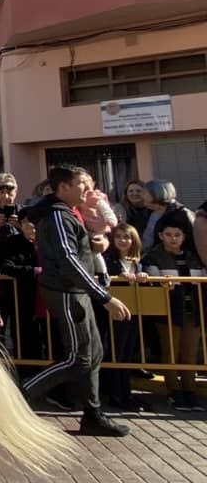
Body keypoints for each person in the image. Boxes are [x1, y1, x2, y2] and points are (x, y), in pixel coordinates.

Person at [21, 165, 132, 437]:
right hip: (67, 294)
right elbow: (68, 260)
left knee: (93, 355)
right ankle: (14, 396)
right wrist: (104, 297)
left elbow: (74, 252)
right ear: (64, 187)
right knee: (77, 359)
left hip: (77, 292)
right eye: (82, 184)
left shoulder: (67, 213)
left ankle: (92, 415)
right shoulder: (58, 216)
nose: (88, 189)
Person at [141, 223, 205, 411]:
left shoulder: (193, 257)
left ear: (184, 237)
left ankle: (190, 392)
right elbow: (153, 280)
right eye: (169, 234)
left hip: (193, 311)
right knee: (171, 353)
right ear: (161, 235)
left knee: (189, 354)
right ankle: (174, 391)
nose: (173, 238)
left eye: (177, 235)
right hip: (169, 313)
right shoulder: (154, 256)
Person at [103, 223, 147, 411]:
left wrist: (144, 278)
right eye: (119, 236)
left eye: (127, 237)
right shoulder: (109, 260)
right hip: (116, 312)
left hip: (134, 312)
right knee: (117, 353)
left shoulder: (137, 262)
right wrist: (119, 275)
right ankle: (115, 394)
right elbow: (104, 280)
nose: (123, 240)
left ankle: (126, 393)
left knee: (128, 354)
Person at [0, 208, 43, 364]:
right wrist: (34, 271)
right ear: (21, 225)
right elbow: (6, 266)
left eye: (36, 224)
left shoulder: (49, 241)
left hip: (47, 300)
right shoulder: (13, 243)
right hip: (23, 299)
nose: (33, 228)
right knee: (25, 341)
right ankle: (27, 377)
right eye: (28, 225)